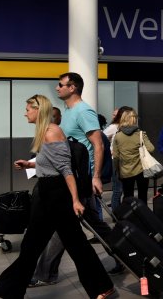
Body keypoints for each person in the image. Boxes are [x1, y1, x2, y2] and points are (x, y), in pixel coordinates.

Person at [0, 95, 114, 299]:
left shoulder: (51, 132)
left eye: (28, 109)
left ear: (39, 110)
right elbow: (50, 161)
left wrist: (75, 200)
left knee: (76, 244)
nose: (25, 113)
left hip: (58, 196)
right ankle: (9, 290)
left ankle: (102, 287)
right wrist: (30, 164)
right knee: (32, 245)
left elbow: (66, 169)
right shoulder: (44, 132)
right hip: (46, 193)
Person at [30, 73, 124, 287]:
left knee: (70, 226)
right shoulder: (69, 111)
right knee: (83, 225)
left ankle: (46, 273)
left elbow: (98, 144)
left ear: (72, 88)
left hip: (83, 179)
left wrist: (96, 177)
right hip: (74, 177)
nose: (57, 88)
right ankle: (124, 255)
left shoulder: (83, 111)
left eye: (61, 85)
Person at [113, 109, 155, 204]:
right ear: (134, 120)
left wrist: (117, 171)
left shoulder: (118, 136)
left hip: (125, 172)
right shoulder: (141, 134)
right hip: (141, 171)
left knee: (128, 197)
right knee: (142, 196)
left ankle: (130, 217)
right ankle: (143, 217)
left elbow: (115, 157)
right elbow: (151, 149)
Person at [103, 106, 133, 211]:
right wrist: (109, 150)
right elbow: (101, 138)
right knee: (118, 189)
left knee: (124, 189)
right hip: (115, 161)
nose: (114, 116)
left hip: (125, 161)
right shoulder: (114, 127)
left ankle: (122, 211)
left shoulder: (127, 127)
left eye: (116, 114)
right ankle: (116, 214)